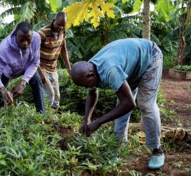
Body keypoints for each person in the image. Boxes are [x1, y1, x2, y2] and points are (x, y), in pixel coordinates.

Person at [70, 38, 164, 170]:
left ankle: (157, 149)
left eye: (87, 84)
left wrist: (98, 122)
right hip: (131, 67)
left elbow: (129, 104)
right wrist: (86, 119)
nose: (87, 87)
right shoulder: (89, 68)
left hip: (150, 58)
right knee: (120, 104)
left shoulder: (110, 70)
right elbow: (92, 93)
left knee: (145, 104)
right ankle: (119, 144)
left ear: (90, 74)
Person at [0, 21, 45, 113]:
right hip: (8, 70)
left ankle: (41, 114)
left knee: (37, 81)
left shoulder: (36, 38)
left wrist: (23, 82)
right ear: (15, 36)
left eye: (28, 40)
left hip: (27, 67)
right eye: (21, 40)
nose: (25, 43)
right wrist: (3, 90)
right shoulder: (5, 48)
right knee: (1, 95)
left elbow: (35, 62)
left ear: (32, 36)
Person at [37, 12, 71, 109]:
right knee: (49, 95)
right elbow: (33, 54)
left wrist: (69, 67)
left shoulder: (63, 31)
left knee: (56, 98)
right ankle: (42, 117)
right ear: (54, 21)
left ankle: (51, 120)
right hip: (41, 67)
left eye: (63, 25)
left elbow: (63, 48)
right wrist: (40, 73)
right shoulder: (42, 33)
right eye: (59, 24)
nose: (61, 27)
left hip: (53, 68)